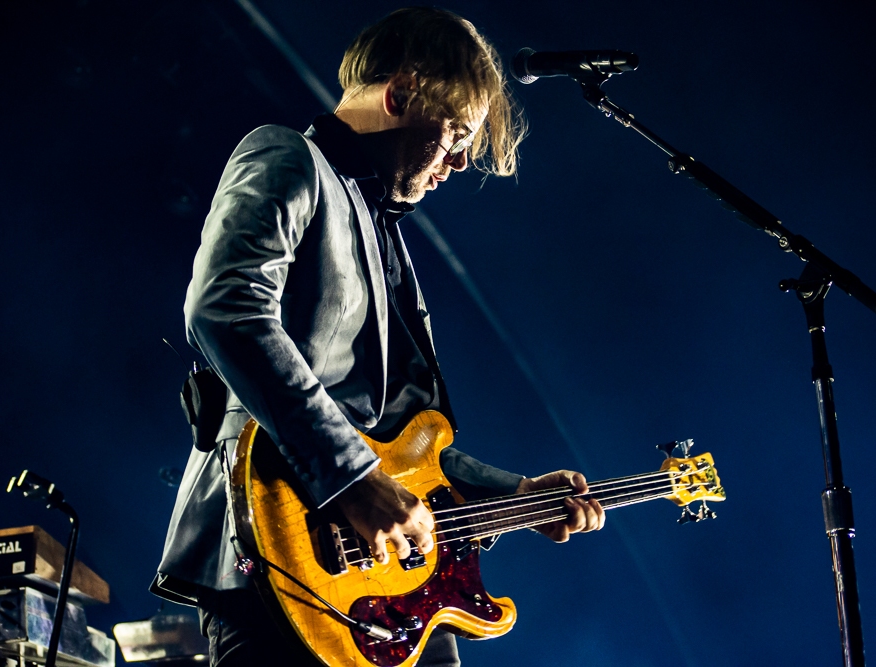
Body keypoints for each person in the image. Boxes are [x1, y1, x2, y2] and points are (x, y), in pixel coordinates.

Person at [151, 8, 605, 666]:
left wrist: (516, 495)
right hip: (279, 557)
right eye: (455, 137)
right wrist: (352, 480)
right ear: (400, 93)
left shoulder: (384, 229)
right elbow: (225, 306)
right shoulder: (286, 157)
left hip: (387, 591)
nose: (457, 163)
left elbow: (401, 436)